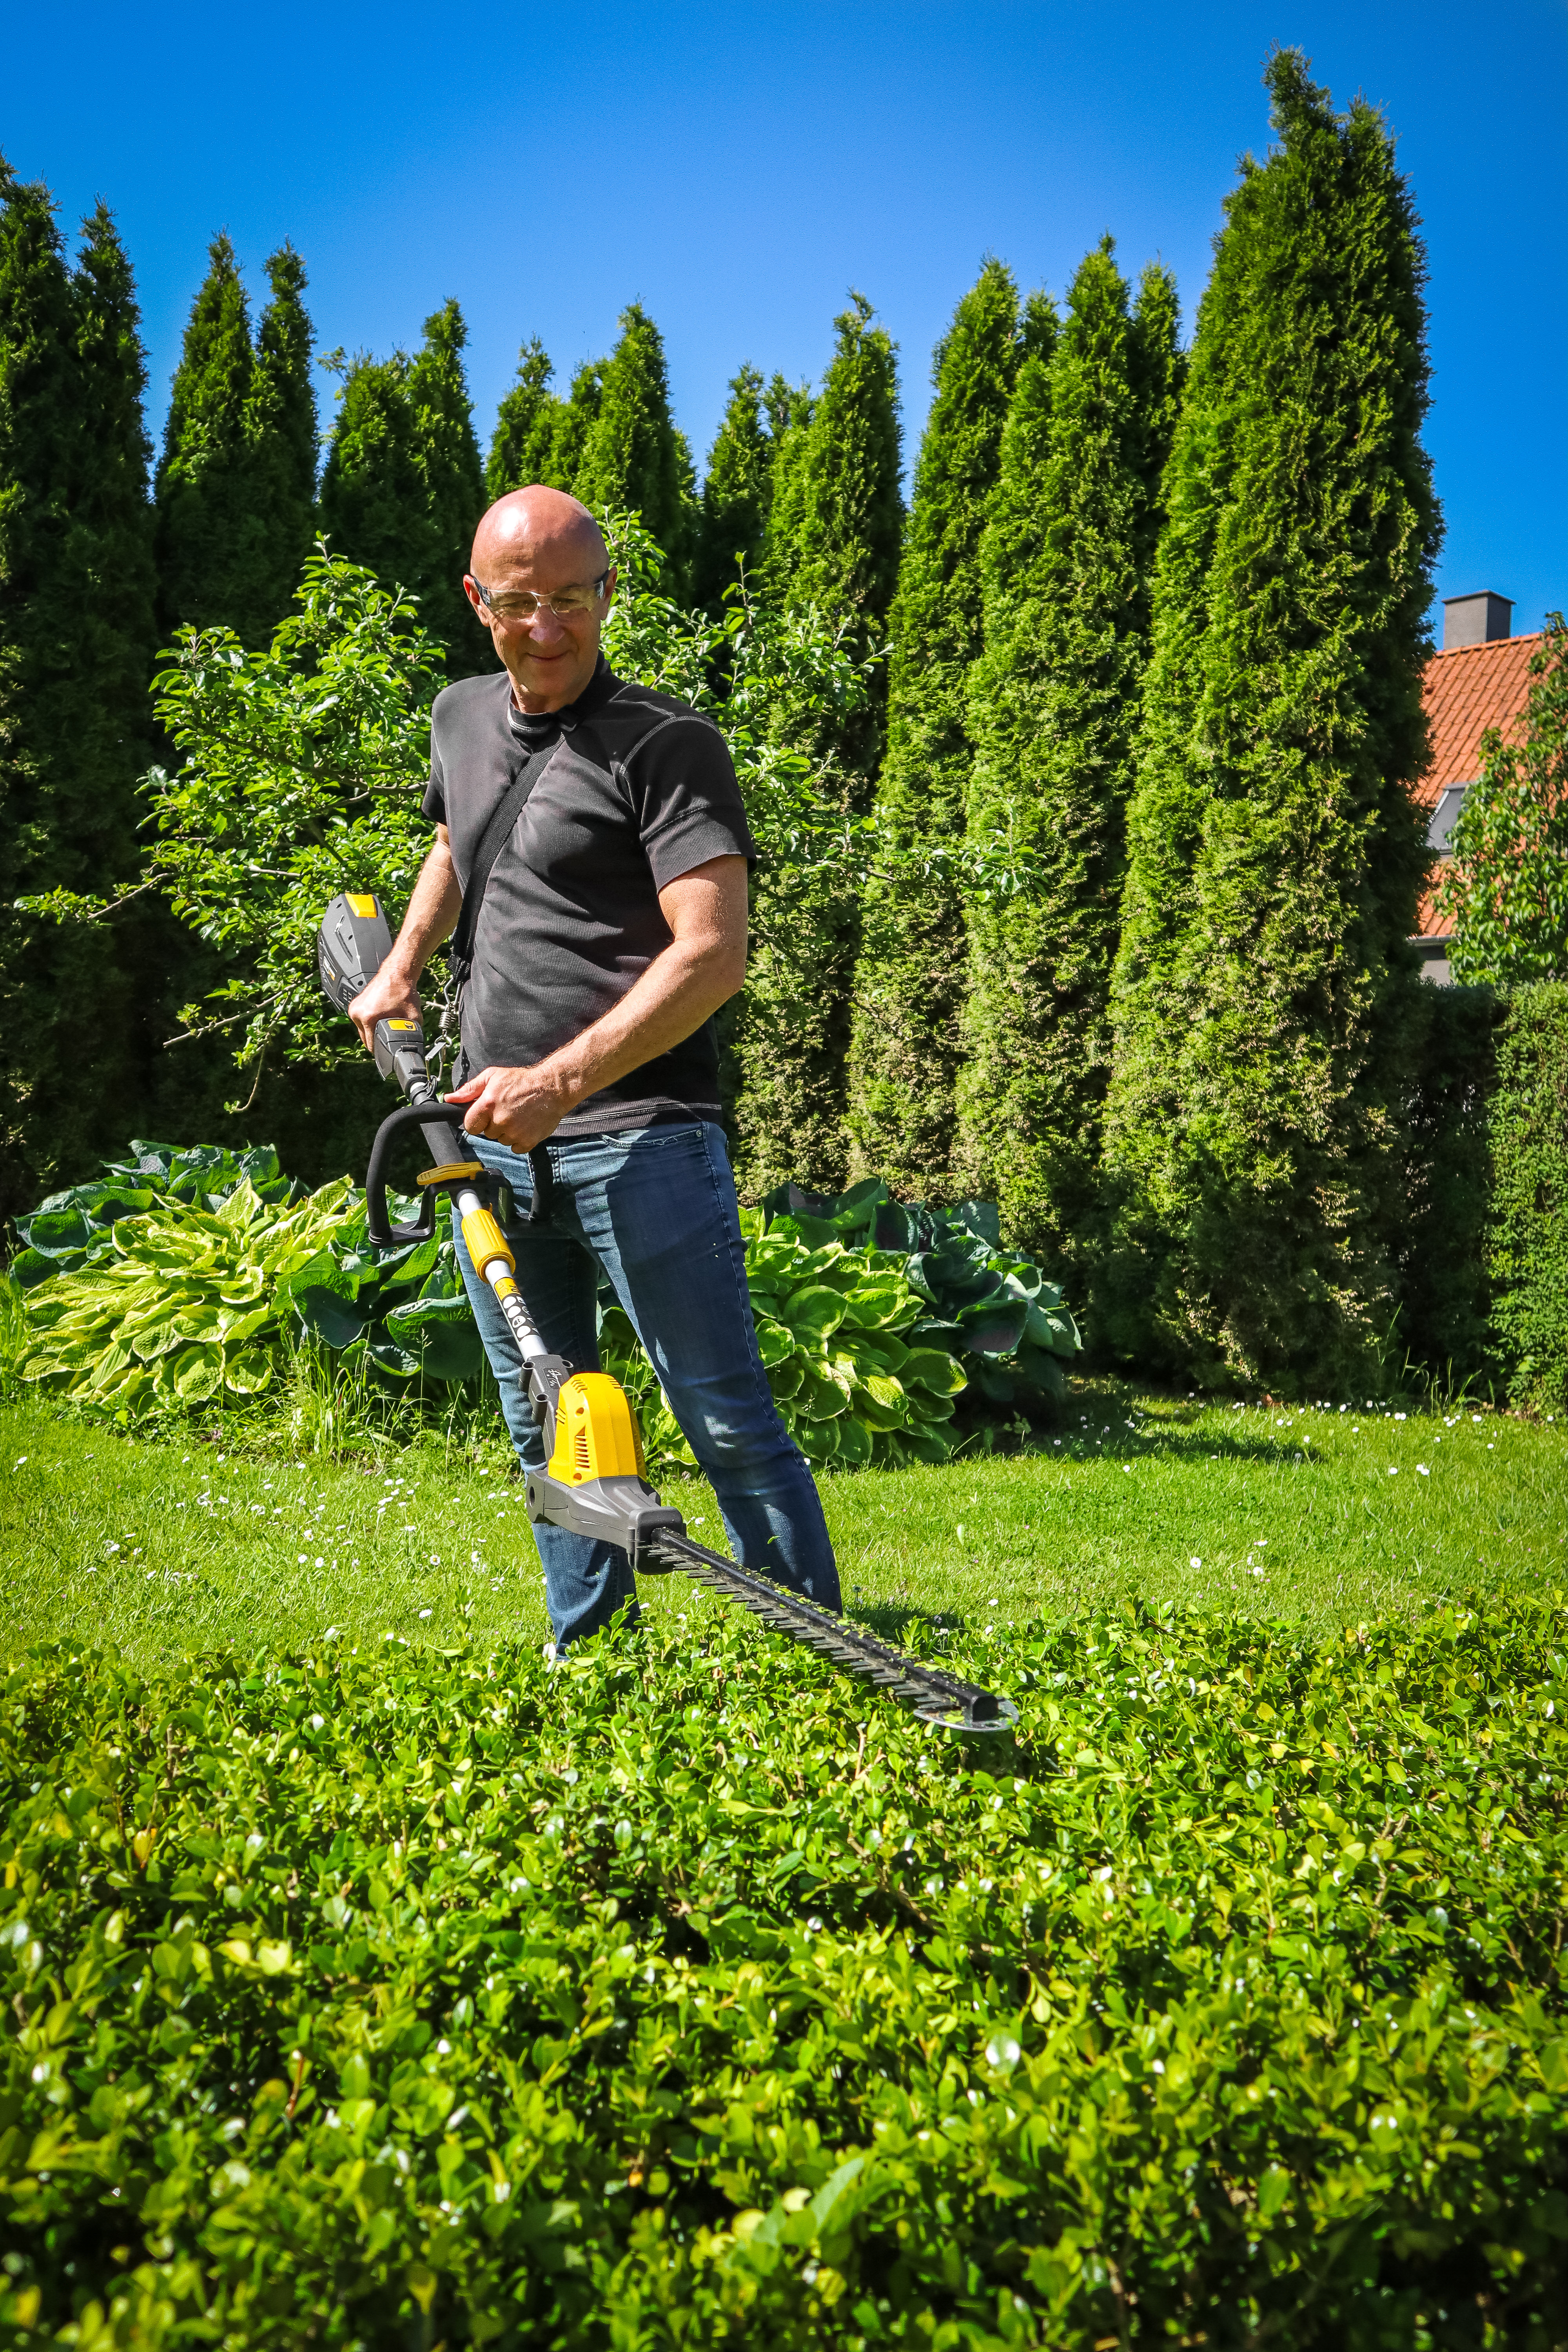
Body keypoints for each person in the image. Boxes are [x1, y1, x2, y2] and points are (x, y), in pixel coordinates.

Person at [348, 485, 842, 1647]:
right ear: (478, 604)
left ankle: (810, 1658)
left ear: (609, 594)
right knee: (544, 1414)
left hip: (645, 1141)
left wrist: (557, 1085)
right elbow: (454, 843)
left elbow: (713, 955)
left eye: (573, 600)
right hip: (487, 1140)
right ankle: (596, 1661)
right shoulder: (461, 717)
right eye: (519, 605)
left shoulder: (668, 744)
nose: (549, 630)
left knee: (720, 1418)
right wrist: (404, 963)